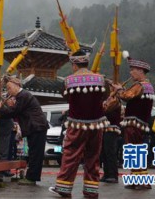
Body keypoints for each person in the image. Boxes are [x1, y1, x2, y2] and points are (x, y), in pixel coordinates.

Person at [49, 50, 109, 199]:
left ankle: (63, 188)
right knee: (93, 157)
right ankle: (91, 191)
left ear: (74, 64)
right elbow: (105, 96)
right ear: (87, 62)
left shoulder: (68, 81)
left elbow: (67, 97)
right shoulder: (101, 79)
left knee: (70, 155)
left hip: (76, 124)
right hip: (97, 124)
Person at [113, 53, 155, 190]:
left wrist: (119, 90)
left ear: (141, 71)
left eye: (133, 70)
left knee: (133, 151)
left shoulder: (139, 86)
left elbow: (126, 96)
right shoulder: (148, 86)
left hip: (134, 124)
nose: (131, 73)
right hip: (140, 124)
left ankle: (140, 181)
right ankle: (137, 179)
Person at [0, 75, 48, 186]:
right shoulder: (22, 96)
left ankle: (31, 178)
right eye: (7, 88)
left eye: (9, 87)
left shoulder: (23, 95)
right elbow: (15, 111)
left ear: (17, 85)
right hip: (36, 127)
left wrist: (1, 109)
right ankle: (31, 177)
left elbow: (14, 112)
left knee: (35, 154)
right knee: (34, 153)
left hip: (36, 127)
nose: (8, 90)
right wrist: (8, 108)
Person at [100, 86, 122, 183]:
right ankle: (107, 174)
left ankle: (113, 175)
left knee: (110, 152)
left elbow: (105, 110)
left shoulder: (115, 101)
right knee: (104, 152)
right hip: (105, 128)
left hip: (112, 128)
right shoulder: (108, 100)